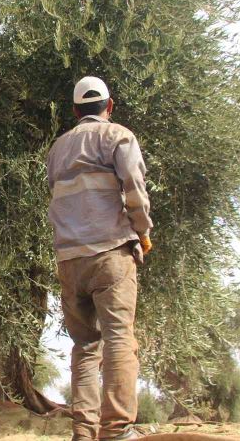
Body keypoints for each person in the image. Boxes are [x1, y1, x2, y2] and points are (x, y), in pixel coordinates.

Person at [46, 77, 153, 441]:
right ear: (110, 105)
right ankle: (118, 431)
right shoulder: (119, 136)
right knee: (119, 338)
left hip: (69, 260)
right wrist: (143, 232)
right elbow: (134, 189)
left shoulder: (57, 148)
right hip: (110, 252)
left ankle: (83, 433)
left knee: (85, 346)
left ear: (75, 111)